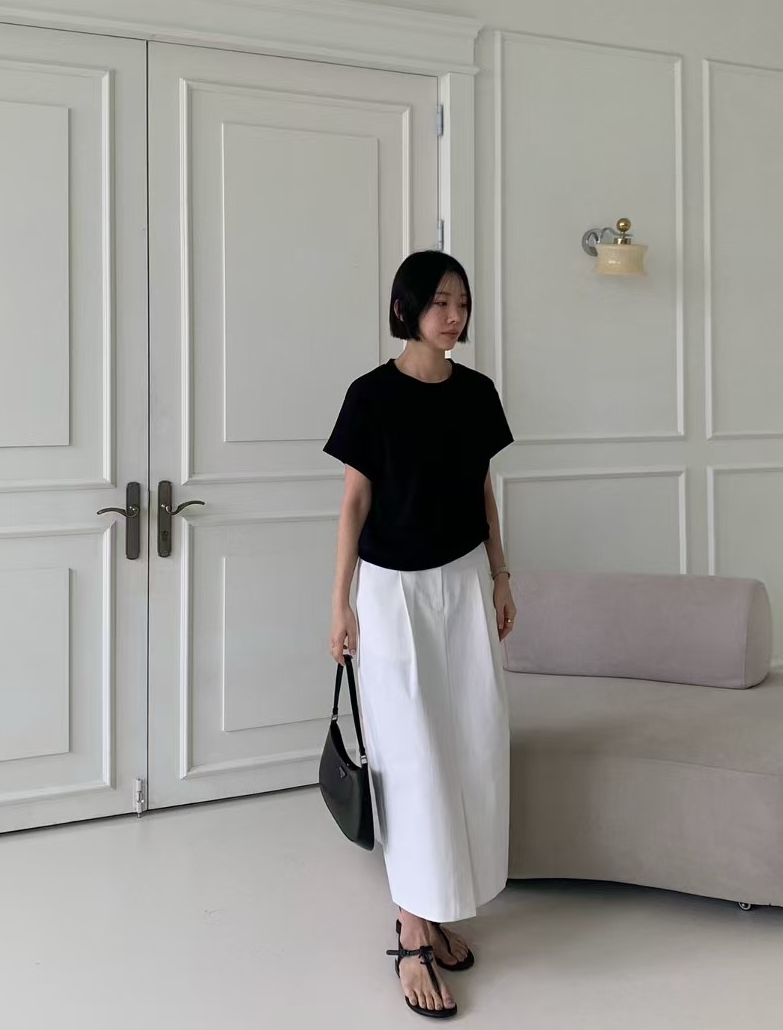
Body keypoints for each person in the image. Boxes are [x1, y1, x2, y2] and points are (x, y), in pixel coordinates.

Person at [324, 250, 516, 1019]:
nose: (454, 315)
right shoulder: (370, 396)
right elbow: (353, 503)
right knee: (411, 755)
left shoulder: (477, 393)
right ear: (406, 308)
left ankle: (436, 907)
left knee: (472, 743)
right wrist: (340, 603)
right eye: (439, 301)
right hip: (391, 593)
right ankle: (410, 931)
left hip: (464, 582)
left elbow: (482, 490)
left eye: (462, 302)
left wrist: (501, 574)